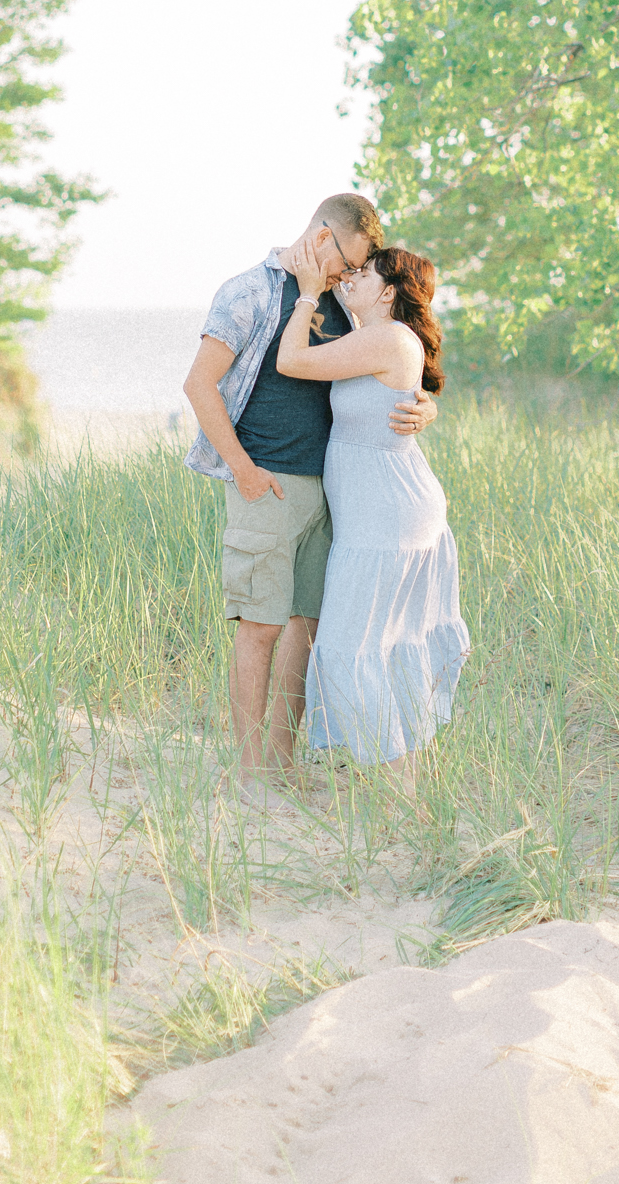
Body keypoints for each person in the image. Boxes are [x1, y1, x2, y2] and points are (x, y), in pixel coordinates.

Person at [183, 194, 438, 805]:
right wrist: (242, 471)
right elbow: (198, 384)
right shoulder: (250, 292)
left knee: (306, 628)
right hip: (266, 482)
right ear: (324, 237)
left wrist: (425, 405)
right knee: (260, 630)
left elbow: (388, 367)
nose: (351, 276)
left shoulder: (344, 304)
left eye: (359, 270)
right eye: (348, 261)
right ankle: (251, 778)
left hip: (330, 494)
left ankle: (280, 765)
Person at [277, 238, 468, 792]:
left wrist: (308, 296)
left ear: (388, 292)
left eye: (362, 274)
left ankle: (401, 796)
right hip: (378, 513)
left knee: (348, 647)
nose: (348, 278)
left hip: (388, 517)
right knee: (376, 646)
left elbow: (291, 361)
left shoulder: (388, 337)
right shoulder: (376, 338)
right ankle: (404, 788)